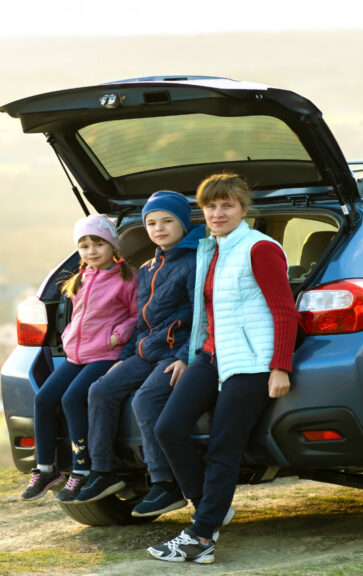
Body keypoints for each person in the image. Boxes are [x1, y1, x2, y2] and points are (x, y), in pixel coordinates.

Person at [147, 173, 298, 564]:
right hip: (212, 354)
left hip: (251, 362)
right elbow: (205, 311)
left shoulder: (260, 248)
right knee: (168, 429)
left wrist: (279, 367)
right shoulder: (209, 249)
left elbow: (285, 311)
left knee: (223, 446)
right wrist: (189, 354)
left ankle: (202, 537)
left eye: (226, 205)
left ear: (243, 209)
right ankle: (210, 509)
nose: (217, 213)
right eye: (210, 206)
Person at [71, 191, 204, 512]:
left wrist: (185, 357)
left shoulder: (195, 263)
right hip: (144, 351)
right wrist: (124, 358)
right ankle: (103, 472)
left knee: (145, 399)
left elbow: (204, 316)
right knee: (100, 389)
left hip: (175, 352)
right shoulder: (147, 268)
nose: (159, 228)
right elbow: (142, 324)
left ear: (183, 224)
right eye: (151, 223)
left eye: (167, 221)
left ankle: (165, 484)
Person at [20, 213, 139, 501]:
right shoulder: (79, 279)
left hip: (106, 354)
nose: (91, 251)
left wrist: (118, 335)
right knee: (44, 399)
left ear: (113, 245)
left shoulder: (126, 278)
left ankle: (82, 469)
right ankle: (46, 468)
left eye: (98, 244)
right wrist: (69, 337)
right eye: (84, 246)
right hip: (76, 355)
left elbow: (138, 315)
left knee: (72, 398)